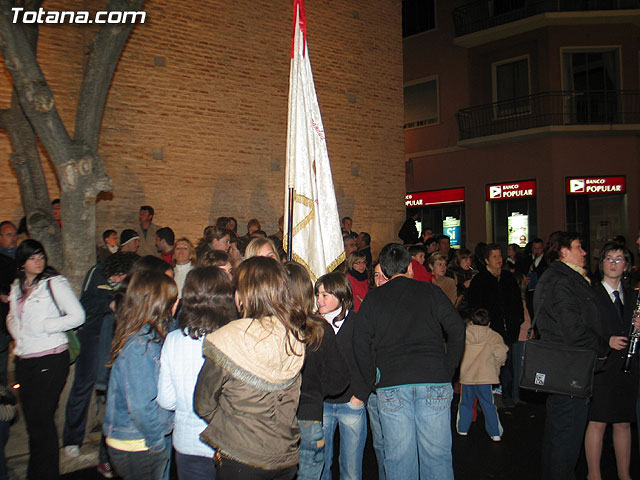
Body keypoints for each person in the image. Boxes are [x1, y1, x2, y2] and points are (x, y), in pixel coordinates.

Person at [194, 257, 313, 479]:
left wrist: (232, 427)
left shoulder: (229, 338)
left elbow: (203, 404)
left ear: (244, 293)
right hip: (284, 456)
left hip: (241, 458)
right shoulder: (294, 335)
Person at [353, 243, 464, 480]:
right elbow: (457, 329)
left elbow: (359, 342)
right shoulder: (431, 292)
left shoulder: (374, 299)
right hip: (434, 377)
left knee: (399, 458)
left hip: (392, 383)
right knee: (437, 457)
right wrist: (449, 369)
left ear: (382, 271)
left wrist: (372, 378)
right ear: (411, 268)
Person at [7, 239, 85, 480]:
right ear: (22, 262)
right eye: (32, 257)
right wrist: (18, 333)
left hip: (51, 358)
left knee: (42, 419)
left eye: (40, 256)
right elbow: (11, 316)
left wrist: (45, 326)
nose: (38, 261)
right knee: (33, 420)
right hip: (24, 358)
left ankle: (45, 473)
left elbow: (77, 316)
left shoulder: (54, 283)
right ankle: (37, 470)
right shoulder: (17, 287)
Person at [534, 231, 609, 480]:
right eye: (578, 247)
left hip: (566, 367)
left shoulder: (562, 277)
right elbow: (573, 329)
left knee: (560, 436)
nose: (584, 252)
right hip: (569, 368)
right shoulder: (563, 280)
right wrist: (602, 346)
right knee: (566, 438)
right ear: (563, 251)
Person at [63, 252, 138, 478]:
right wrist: (112, 300)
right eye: (121, 276)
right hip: (93, 335)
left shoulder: (132, 277)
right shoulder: (97, 272)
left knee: (114, 392)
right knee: (83, 384)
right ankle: (72, 439)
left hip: (119, 336)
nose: (123, 279)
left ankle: (108, 452)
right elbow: (85, 302)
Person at [158, 267, 236, 480]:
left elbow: (166, 400)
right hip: (229, 440)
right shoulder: (234, 339)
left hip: (189, 441)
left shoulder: (173, 340)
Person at [103, 271, 177, 480]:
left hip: (139, 439)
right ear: (158, 304)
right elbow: (141, 405)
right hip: (137, 441)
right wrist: (156, 443)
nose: (177, 304)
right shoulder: (140, 346)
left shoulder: (147, 336)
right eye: (172, 299)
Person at [287, 262, 348, 480]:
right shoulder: (318, 327)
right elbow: (338, 379)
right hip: (308, 414)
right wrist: (315, 392)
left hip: (276, 418)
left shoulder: (268, 325)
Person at [584, 242, 638, 480]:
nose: (614, 263)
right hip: (602, 366)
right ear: (601, 263)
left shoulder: (635, 297)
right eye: (609, 258)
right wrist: (607, 342)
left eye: (619, 259)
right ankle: (594, 474)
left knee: (623, 422)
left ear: (626, 265)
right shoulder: (592, 296)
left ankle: (624, 475)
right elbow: (584, 332)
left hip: (628, 367)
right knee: (598, 422)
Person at [315, 271, 369, 480]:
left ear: (341, 295)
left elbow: (368, 361)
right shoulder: (314, 324)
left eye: (325, 295)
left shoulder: (357, 323)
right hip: (323, 404)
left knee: (351, 468)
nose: (319, 300)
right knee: (322, 465)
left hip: (351, 403)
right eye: (317, 295)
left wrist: (359, 396)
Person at [467, 243, 523, 408]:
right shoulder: (480, 280)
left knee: (507, 363)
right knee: (487, 365)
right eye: (494, 257)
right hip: (490, 329)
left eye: (500, 256)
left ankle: (507, 395)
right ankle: (486, 398)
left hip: (509, 329)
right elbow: (475, 304)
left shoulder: (507, 278)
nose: (498, 260)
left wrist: (516, 320)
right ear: (486, 260)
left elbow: (516, 301)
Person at [456, 308, 508, 441]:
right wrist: (497, 366)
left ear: (472, 321)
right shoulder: (494, 336)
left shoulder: (464, 333)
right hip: (485, 377)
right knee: (488, 405)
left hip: (468, 377)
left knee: (465, 403)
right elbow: (501, 354)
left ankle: (462, 429)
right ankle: (495, 433)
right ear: (489, 323)